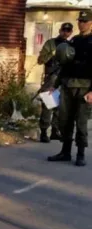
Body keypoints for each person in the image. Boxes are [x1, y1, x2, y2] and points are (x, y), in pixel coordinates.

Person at [48, 10, 92, 167]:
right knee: (65, 120)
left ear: (91, 23)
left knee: (81, 122)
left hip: (84, 88)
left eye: (85, 21)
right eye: (80, 21)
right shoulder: (73, 41)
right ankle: (65, 152)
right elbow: (64, 66)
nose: (81, 24)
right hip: (67, 86)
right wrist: (55, 85)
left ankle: (80, 154)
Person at [37, 22, 73, 143]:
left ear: (71, 32)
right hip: (52, 77)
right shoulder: (50, 43)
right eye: (64, 30)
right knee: (48, 105)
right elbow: (40, 60)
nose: (65, 33)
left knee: (60, 106)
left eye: (68, 31)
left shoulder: (70, 45)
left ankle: (55, 131)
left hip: (64, 78)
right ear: (60, 30)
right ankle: (43, 132)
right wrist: (53, 54)